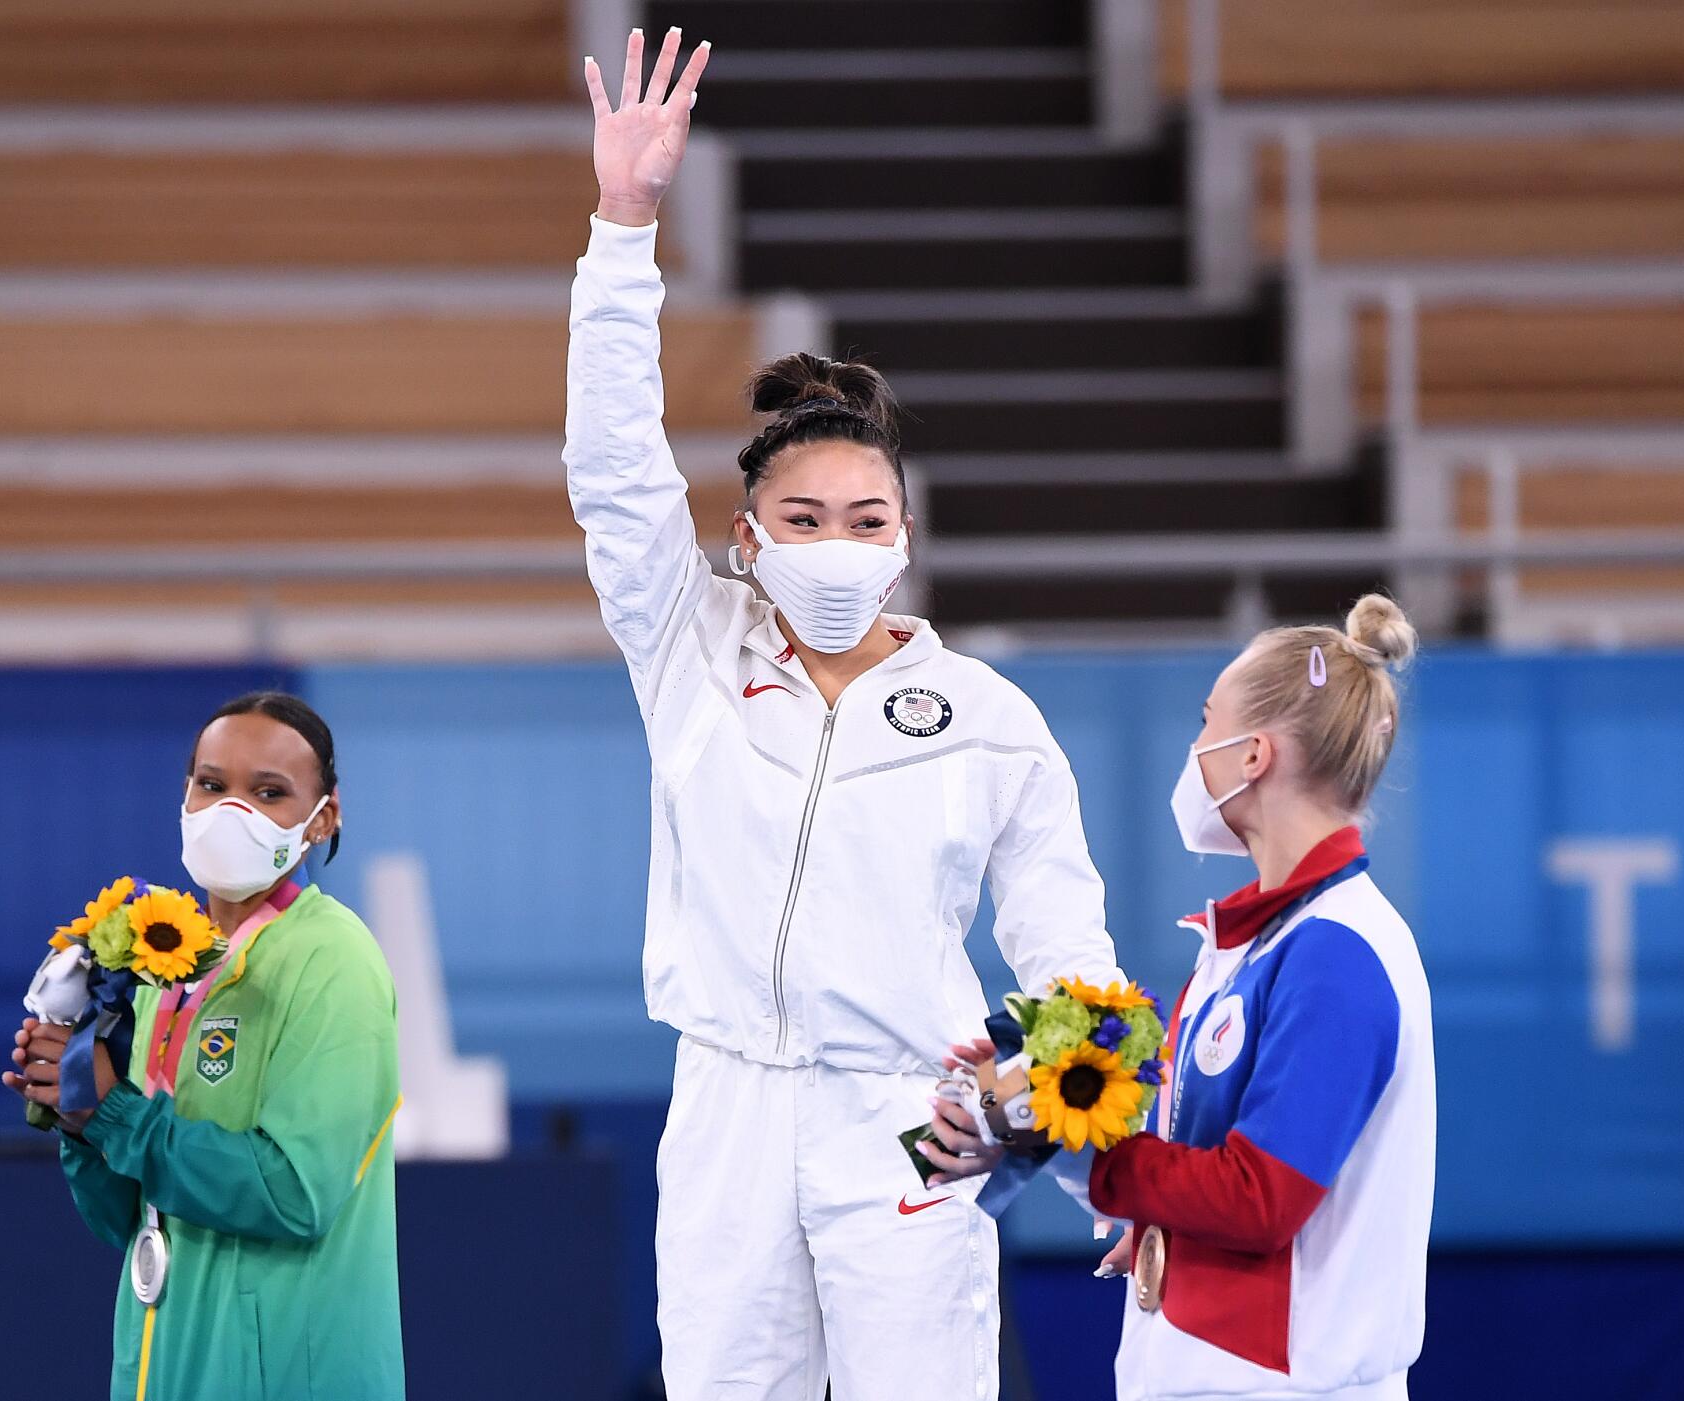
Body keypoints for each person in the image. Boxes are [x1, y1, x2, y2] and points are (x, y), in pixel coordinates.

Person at [570, 29, 1123, 1400]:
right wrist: (622, 232)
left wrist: (1057, 1139)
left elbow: (1070, 953)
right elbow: (615, 472)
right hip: (728, 1112)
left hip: (909, 1116)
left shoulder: (990, 720)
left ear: (905, 536)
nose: (834, 542)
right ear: (747, 537)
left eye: (863, 519)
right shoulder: (684, 643)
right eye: (801, 520)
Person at [1084, 596, 1435, 1401]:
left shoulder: (1338, 950)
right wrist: (1156, 1216)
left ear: (1254, 756)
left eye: (1209, 723)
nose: (1196, 749)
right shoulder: (1258, 942)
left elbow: (1260, 1197)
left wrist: (1101, 1161)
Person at [5, 692, 403, 1401]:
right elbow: (123, 1217)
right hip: (166, 1363)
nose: (232, 811)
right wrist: (79, 1117)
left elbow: (292, 1194)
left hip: (287, 1374)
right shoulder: (169, 965)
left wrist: (116, 1112)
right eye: (212, 784)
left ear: (325, 818)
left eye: (269, 792)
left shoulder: (334, 958)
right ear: (184, 795)